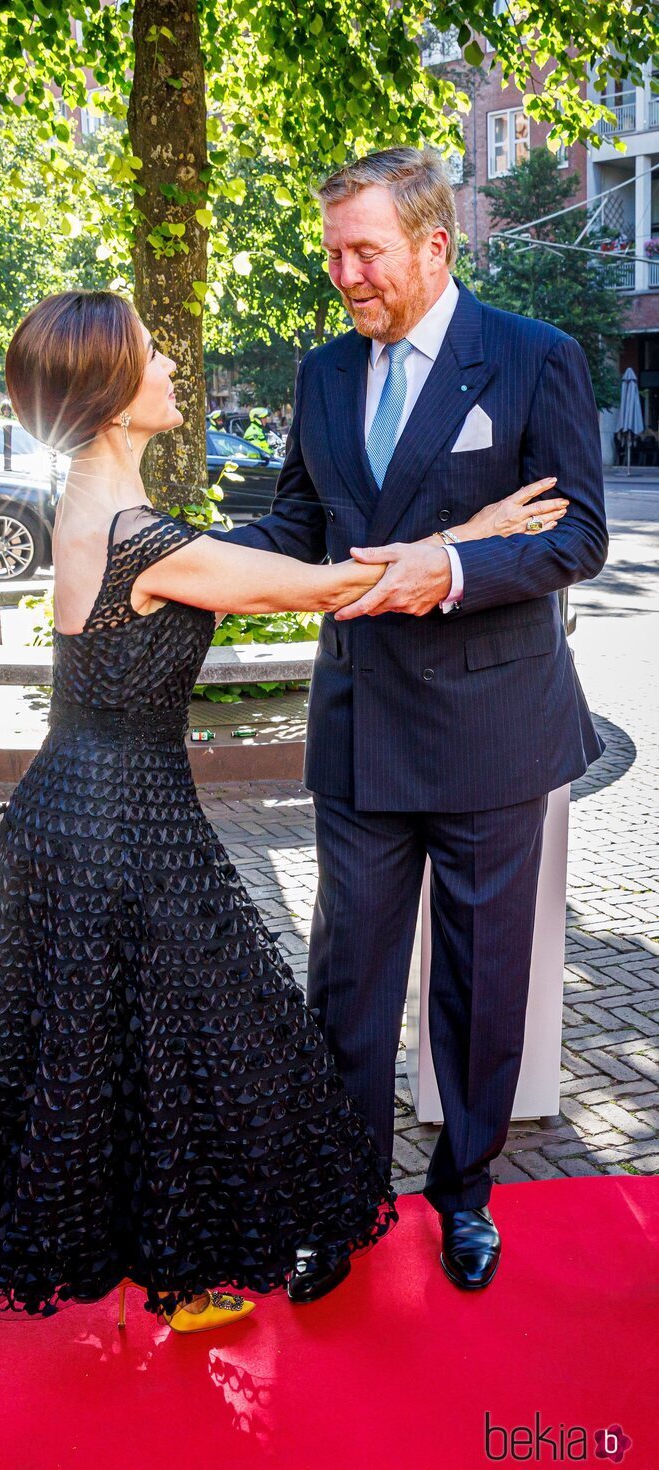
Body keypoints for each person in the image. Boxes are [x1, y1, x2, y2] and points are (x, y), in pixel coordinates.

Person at [0, 290, 568, 1328]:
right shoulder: (141, 538)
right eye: (151, 355)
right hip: (114, 828)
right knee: (169, 1047)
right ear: (116, 399)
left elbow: (263, 563)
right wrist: (473, 534)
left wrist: (449, 546)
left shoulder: (99, 507)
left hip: (94, 816)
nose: (171, 365)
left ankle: (167, 1260)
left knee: (111, 1055)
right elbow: (322, 588)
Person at [218, 147, 607, 1300]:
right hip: (360, 723)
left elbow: (577, 536)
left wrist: (449, 560)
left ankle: (465, 1190)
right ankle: (338, 1198)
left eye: (364, 251)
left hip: (493, 725)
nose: (343, 273)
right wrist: (176, 557)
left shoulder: (535, 358)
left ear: (433, 248)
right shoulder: (323, 372)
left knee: (481, 983)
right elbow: (297, 520)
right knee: (347, 979)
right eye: (331, 251)